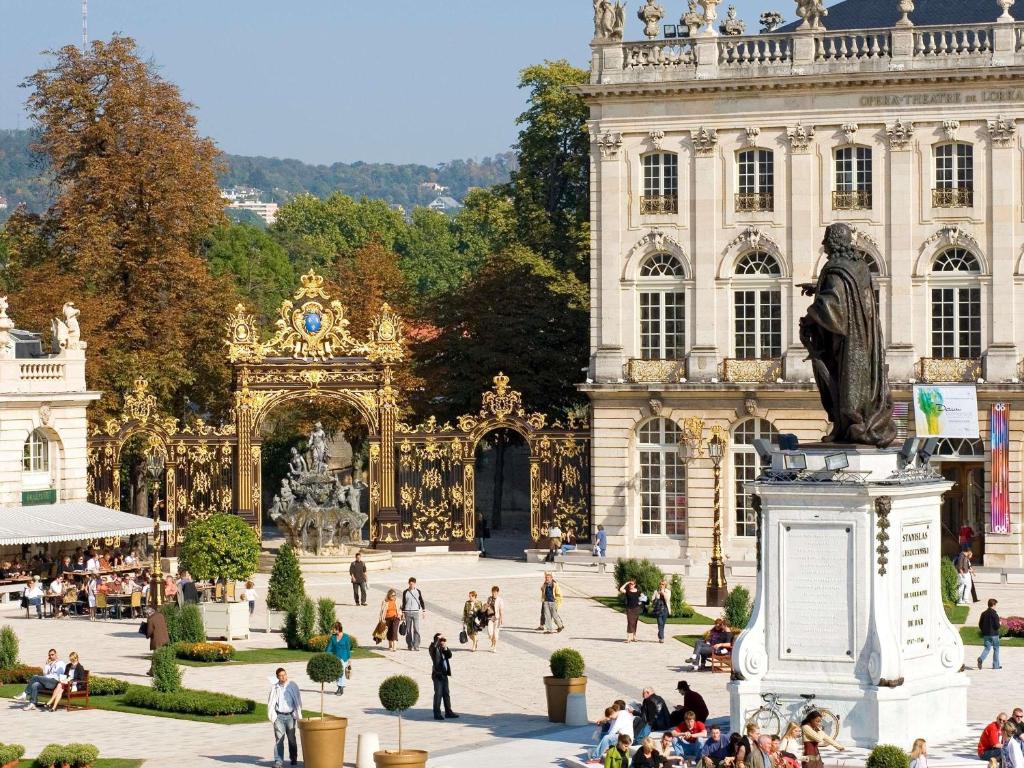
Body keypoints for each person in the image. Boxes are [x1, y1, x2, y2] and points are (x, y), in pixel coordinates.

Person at [268, 667, 302, 768]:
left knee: (291, 739)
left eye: (284, 675)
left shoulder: (292, 685)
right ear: (277, 677)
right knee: (279, 739)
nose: (283, 677)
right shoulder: (275, 688)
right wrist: (273, 716)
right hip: (279, 716)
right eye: (281, 676)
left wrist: (298, 713)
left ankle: (294, 758)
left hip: (290, 716)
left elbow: (298, 699)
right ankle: (278, 761)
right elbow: (271, 702)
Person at [429, 634, 458, 720]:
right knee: (438, 694)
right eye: (441, 640)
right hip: (437, 674)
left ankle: (448, 712)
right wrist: (438, 640)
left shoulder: (443, 648)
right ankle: (437, 713)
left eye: (444, 640)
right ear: (437, 640)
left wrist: (445, 647)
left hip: (444, 674)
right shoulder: (433, 648)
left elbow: (449, 655)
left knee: (446, 694)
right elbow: (433, 649)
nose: (443, 641)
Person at [326, 621, 351, 696]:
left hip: (344, 657)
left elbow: (348, 649)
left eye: (333, 629)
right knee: (337, 673)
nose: (332, 630)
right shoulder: (333, 637)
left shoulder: (346, 637)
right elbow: (329, 648)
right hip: (335, 657)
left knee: (341, 673)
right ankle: (339, 687)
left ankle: (341, 688)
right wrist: (327, 655)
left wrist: (349, 660)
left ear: (338, 629)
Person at [401, 577, 425, 652]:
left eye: (413, 584)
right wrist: (403, 613)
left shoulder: (418, 591)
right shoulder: (405, 592)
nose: (412, 585)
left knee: (416, 629)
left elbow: (421, 600)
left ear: (415, 584)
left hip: (415, 612)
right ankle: (409, 645)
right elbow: (404, 603)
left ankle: (416, 645)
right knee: (408, 630)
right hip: (407, 612)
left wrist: (424, 611)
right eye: (410, 584)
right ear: (409, 583)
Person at [978, 598, 1002, 670]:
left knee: (987, 648)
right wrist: (1000, 623)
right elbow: (997, 626)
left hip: (986, 635)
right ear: (993, 605)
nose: (996, 606)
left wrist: (984, 631)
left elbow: (980, 624)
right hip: (994, 634)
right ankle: (996, 665)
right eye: (995, 605)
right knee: (996, 649)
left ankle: (981, 659)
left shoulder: (983, 613)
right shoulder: (995, 614)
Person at [144, 606, 170, 675]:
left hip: (157, 640)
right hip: (165, 638)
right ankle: (152, 671)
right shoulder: (160, 615)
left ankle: (156, 672)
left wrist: (146, 635)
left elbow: (149, 632)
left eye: (146, 614)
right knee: (160, 656)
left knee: (156, 657)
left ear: (149, 613)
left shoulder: (150, 619)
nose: (146, 616)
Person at [619, 575, 642, 643]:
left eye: (632, 584)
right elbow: (621, 589)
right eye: (630, 584)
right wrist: (627, 582)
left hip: (636, 609)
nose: (630, 585)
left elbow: (643, 598)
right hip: (629, 609)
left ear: (634, 585)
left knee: (635, 622)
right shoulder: (627, 591)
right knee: (630, 622)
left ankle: (634, 637)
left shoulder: (638, 591)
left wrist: (641, 602)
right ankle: (629, 638)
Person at [485, 585, 505, 651]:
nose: (493, 594)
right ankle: (492, 643)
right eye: (493, 592)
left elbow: (501, 610)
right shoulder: (489, 598)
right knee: (490, 632)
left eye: (495, 592)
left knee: (495, 633)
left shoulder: (500, 600)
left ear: (497, 592)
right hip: (490, 617)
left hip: (497, 618)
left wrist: (502, 619)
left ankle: (495, 647)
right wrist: (486, 607)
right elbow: (486, 606)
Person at [651, 579, 670, 643]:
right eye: (660, 584)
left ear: (665, 585)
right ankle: (662, 638)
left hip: (665, 609)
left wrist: (663, 593)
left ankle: (660, 634)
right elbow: (652, 599)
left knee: (663, 624)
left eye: (663, 584)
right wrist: (658, 595)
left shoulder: (668, 591)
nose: (661, 585)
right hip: (658, 609)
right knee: (660, 623)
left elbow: (667, 600)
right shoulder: (656, 591)